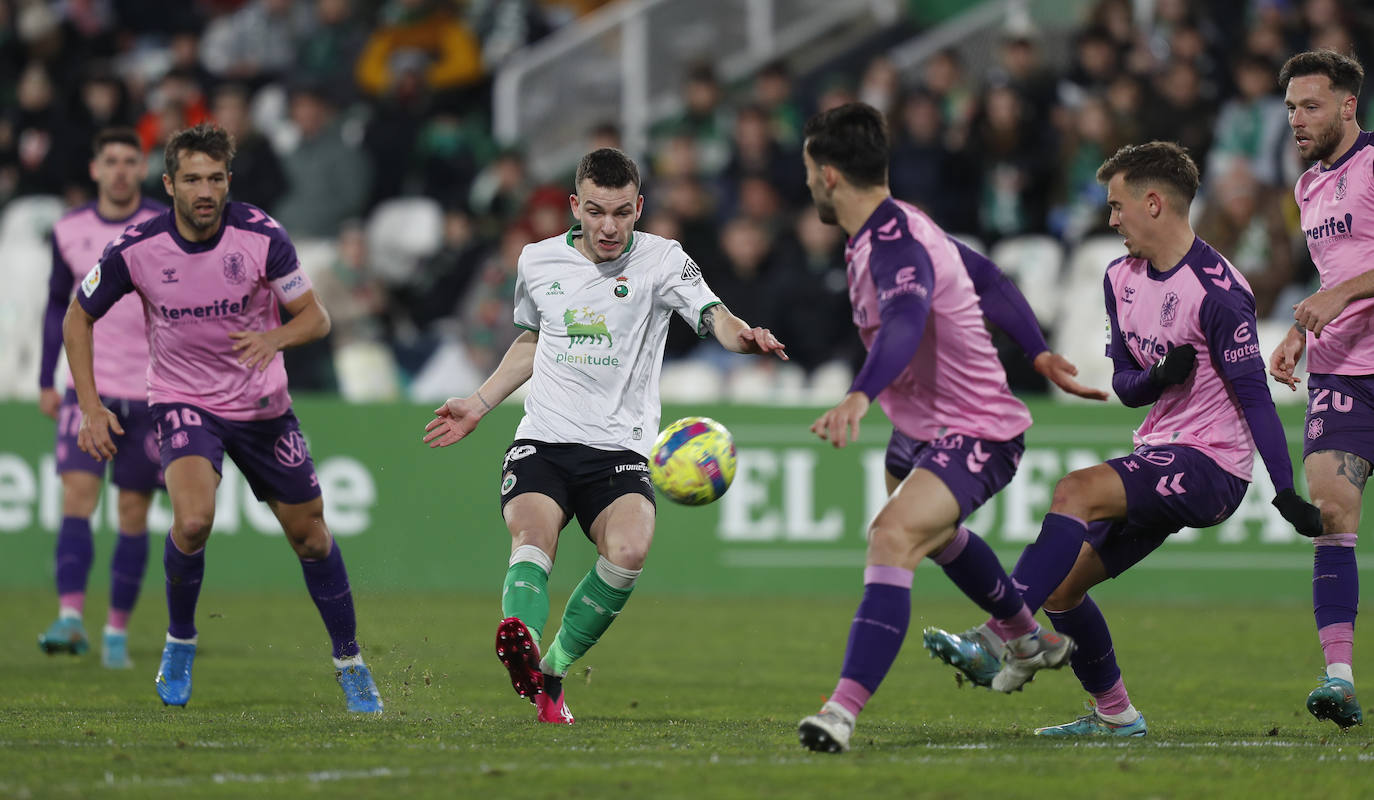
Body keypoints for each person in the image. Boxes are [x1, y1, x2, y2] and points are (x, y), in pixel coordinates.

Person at [927, 141, 1323, 738]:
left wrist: (1285, 489)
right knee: (1063, 587)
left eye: (1117, 207)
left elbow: (1256, 398)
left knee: (1075, 490)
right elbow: (1125, 386)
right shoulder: (1120, 278)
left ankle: (1000, 635)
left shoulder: (1218, 291)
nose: (1110, 221)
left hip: (1213, 466)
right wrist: (1158, 376)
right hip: (1158, 450)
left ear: (1154, 203)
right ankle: (1117, 715)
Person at [422, 147, 787, 724]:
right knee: (532, 535)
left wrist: (745, 338)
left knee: (630, 549)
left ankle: (551, 671)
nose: (609, 226)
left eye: (621, 212)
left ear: (639, 207)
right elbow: (531, 341)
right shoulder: (537, 261)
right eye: (596, 211)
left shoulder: (665, 260)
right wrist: (480, 403)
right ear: (575, 206)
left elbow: (713, 314)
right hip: (543, 439)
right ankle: (517, 632)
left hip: (619, 451)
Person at [791, 103, 1110, 755]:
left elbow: (906, 319)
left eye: (806, 172)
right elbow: (987, 277)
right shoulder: (905, 224)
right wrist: (1039, 349)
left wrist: (859, 394)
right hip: (921, 428)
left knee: (891, 536)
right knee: (935, 537)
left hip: (977, 427)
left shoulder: (894, 242)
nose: (806, 184)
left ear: (826, 176)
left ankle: (840, 711)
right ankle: (1029, 636)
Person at [63, 123, 382, 713]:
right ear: (169, 184)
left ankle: (350, 660)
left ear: (228, 180)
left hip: (263, 408)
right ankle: (180, 642)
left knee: (311, 537)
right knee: (192, 521)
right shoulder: (138, 246)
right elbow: (77, 317)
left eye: (215, 178)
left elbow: (316, 319)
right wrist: (90, 406)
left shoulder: (260, 236)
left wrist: (274, 338)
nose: (204, 190)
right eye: (191, 179)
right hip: (184, 402)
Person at [1269, 49, 1374, 730]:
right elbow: (1334, 277)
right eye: (1288, 109)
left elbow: (1344, 283)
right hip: (1341, 373)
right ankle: (1338, 678)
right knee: (1331, 511)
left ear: (1347, 105)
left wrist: (1335, 294)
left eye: (1309, 106)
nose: (1296, 120)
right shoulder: (1308, 188)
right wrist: (1301, 331)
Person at [36, 128, 166, 668]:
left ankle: (116, 630)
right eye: (109, 161)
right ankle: (70, 618)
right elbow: (55, 307)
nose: (118, 171)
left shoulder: (163, 226)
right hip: (88, 389)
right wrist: (48, 377)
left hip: (153, 390)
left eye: (128, 161)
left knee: (133, 513)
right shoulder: (68, 229)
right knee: (77, 500)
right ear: (95, 169)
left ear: (141, 169)